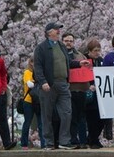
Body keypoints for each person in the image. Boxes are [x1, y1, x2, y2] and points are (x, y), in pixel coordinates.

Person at [34, 22, 87, 150]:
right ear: (49, 32)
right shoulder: (41, 48)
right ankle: (49, 142)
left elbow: (67, 62)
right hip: (49, 85)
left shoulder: (61, 46)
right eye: (56, 29)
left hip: (63, 84)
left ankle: (64, 141)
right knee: (47, 114)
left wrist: (79, 64)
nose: (58, 31)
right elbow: (38, 67)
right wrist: (43, 82)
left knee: (67, 112)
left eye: (58, 29)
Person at [62, 32, 90, 148]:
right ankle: (73, 139)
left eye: (71, 41)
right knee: (71, 116)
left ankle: (83, 140)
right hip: (67, 90)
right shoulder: (60, 55)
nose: (68, 43)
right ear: (62, 42)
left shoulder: (80, 55)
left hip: (81, 89)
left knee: (81, 116)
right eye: (66, 41)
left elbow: (87, 70)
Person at [83, 39, 105, 149]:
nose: (97, 53)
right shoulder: (85, 61)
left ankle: (93, 138)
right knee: (92, 118)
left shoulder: (100, 60)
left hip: (100, 93)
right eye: (95, 50)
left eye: (98, 50)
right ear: (89, 51)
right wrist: (88, 85)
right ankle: (93, 140)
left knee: (102, 118)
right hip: (90, 93)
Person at [20, 56, 43, 150]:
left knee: (41, 123)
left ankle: (44, 143)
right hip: (29, 100)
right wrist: (37, 82)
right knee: (27, 122)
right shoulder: (27, 72)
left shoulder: (40, 73)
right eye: (33, 62)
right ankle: (24, 144)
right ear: (30, 63)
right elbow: (29, 84)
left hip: (38, 101)